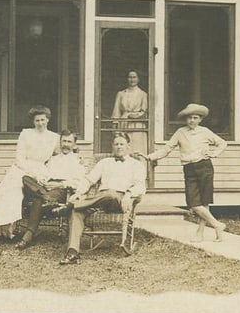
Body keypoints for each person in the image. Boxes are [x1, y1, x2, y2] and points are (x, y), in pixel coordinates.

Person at [143, 103, 228, 242]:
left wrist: (214, 153)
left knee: (204, 202)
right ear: (185, 119)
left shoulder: (205, 131)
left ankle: (200, 233)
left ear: (200, 119)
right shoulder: (180, 132)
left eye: (195, 118)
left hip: (204, 167)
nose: (192, 121)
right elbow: (167, 148)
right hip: (189, 168)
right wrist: (150, 156)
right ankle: (217, 224)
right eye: (189, 118)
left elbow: (222, 143)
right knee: (194, 203)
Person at [59, 132, 147, 265]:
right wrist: (78, 193)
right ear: (112, 146)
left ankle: (72, 205)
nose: (119, 147)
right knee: (77, 212)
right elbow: (89, 180)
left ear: (128, 146)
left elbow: (141, 185)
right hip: (99, 200)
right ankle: (72, 252)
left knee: (110, 194)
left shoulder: (136, 165)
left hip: (119, 200)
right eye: (116, 144)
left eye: (121, 144)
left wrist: (129, 194)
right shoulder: (104, 162)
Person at [0, 105, 60, 240]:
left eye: (43, 119)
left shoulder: (54, 137)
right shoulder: (26, 133)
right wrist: (32, 173)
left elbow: (58, 157)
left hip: (42, 169)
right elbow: (19, 157)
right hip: (22, 168)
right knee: (12, 193)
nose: (40, 123)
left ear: (48, 120)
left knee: (34, 190)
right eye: (37, 120)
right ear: (33, 122)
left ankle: (12, 229)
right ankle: (3, 229)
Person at [16, 129, 86, 249]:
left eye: (69, 142)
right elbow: (45, 173)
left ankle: (27, 237)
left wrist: (60, 184)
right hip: (46, 187)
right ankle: (45, 197)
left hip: (61, 190)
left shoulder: (77, 160)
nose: (66, 144)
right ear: (60, 142)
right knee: (26, 178)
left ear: (74, 144)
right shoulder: (53, 159)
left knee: (38, 200)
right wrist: (42, 179)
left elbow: (79, 182)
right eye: (63, 141)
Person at [111, 70, 149, 155]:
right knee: (122, 148)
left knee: (136, 150)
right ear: (127, 79)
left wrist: (133, 116)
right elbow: (116, 112)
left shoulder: (143, 94)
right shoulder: (121, 94)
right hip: (123, 123)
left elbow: (144, 111)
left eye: (134, 77)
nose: (132, 79)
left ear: (138, 79)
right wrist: (115, 126)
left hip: (137, 125)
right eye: (130, 77)